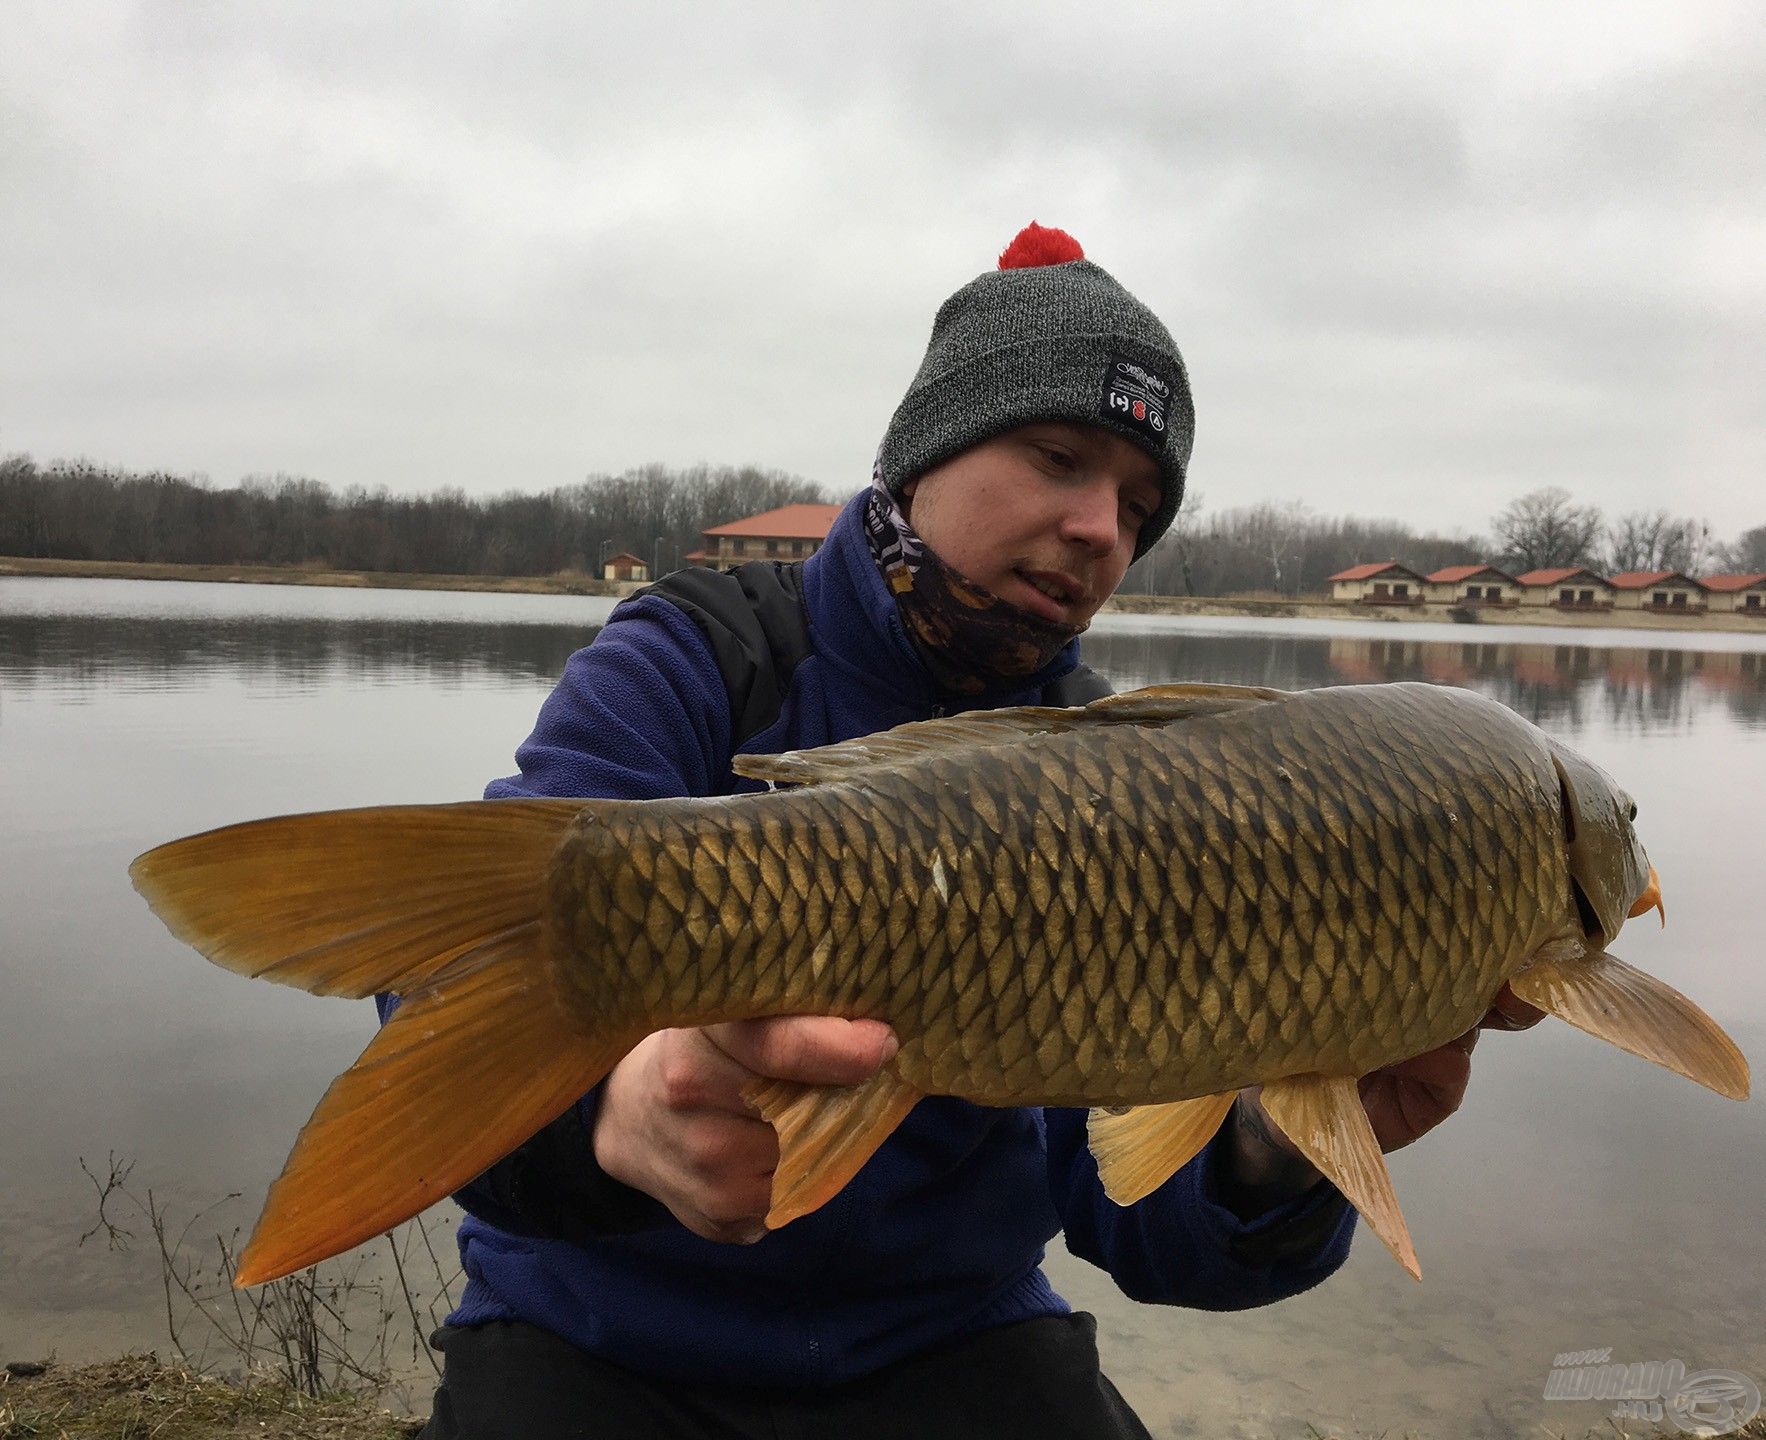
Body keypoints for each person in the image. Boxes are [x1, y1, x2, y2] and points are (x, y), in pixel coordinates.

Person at [408, 222, 1541, 1438]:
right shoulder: (703, 652)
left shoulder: (1126, 777)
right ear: (922, 457)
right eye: (1060, 457)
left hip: (939, 1337)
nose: (1103, 527)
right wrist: (611, 1118)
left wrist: (1273, 1146)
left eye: (1138, 503)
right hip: (598, 1330)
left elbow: (1122, 1200)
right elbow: (450, 1005)